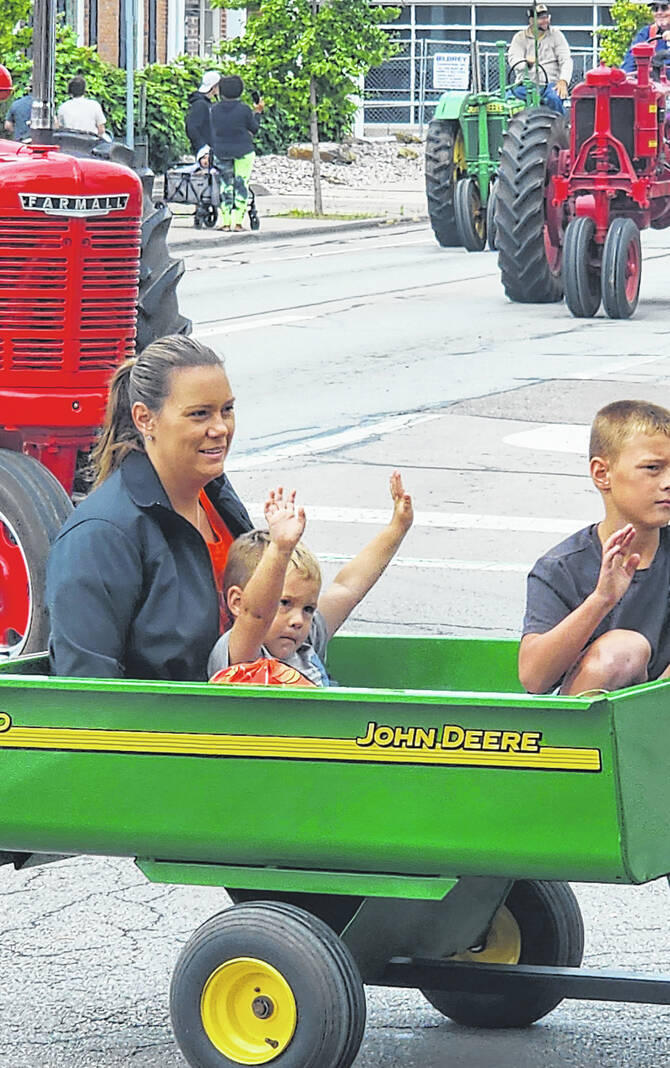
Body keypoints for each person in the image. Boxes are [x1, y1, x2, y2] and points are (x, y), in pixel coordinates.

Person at [46, 336, 252, 681]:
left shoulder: (215, 495)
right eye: (199, 414)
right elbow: (87, 687)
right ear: (145, 419)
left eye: (226, 410)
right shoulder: (102, 535)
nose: (220, 429)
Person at [519, 400, 670, 696]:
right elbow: (534, 679)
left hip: (658, 713)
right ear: (603, 474)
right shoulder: (562, 567)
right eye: (653, 468)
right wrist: (602, 599)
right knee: (622, 650)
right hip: (587, 730)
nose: (668, 482)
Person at [208, 473, 413, 685]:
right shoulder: (242, 653)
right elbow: (256, 615)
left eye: (307, 609)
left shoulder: (305, 641)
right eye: (284, 603)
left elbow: (348, 587)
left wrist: (397, 527)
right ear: (238, 603)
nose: (298, 621)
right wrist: (280, 549)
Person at [210, 74, 264, 232]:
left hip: (221, 150)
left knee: (225, 186)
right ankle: (238, 222)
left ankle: (226, 222)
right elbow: (254, 128)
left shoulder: (214, 110)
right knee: (241, 185)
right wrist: (258, 113)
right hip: (243, 150)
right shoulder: (245, 110)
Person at [507, 4, 573, 115]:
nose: (545, 21)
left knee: (554, 98)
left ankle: (563, 127)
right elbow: (514, 60)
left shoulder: (556, 35)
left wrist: (563, 80)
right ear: (531, 20)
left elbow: (566, 60)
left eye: (547, 17)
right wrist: (526, 63)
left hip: (550, 85)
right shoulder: (520, 37)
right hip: (525, 85)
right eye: (541, 18)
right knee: (508, 100)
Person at [622, 2, 670, 74]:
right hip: (652, 81)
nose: (659, 12)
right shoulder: (646, 33)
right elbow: (629, 62)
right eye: (655, 9)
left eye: (664, 8)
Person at [185, 70, 220, 157]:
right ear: (214, 87)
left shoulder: (205, 103)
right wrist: (202, 148)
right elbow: (191, 128)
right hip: (205, 154)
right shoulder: (200, 104)